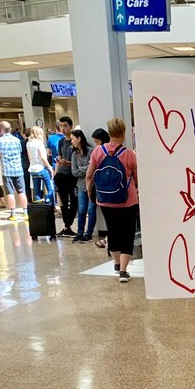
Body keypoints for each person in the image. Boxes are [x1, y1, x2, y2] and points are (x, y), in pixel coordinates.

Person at [85, 117, 138, 282]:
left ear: (109, 133)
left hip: (105, 200)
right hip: (127, 200)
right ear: (123, 133)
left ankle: (116, 263)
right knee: (127, 232)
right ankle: (123, 271)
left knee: (112, 231)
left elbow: (89, 176)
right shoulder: (129, 153)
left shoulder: (98, 151)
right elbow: (137, 179)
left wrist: (91, 194)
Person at [0, 121, 28, 222]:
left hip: (7, 171)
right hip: (18, 169)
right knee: (22, 192)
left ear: (1, 129)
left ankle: (13, 214)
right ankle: (25, 212)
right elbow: (19, 152)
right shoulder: (17, 140)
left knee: (10, 193)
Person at [54, 116, 78, 236]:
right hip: (61, 175)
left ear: (70, 126)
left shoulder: (75, 141)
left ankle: (68, 224)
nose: (63, 129)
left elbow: (78, 161)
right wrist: (56, 173)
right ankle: (66, 226)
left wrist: (67, 163)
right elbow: (59, 158)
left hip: (72, 177)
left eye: (65, 126)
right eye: (61, 126)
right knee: (63, 201)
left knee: (74, 201)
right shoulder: (61, 142)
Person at [71, 129, 96, 243]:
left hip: (92, 184)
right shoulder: (74, 155)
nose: (72, 142)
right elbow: (74, 172)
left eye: (73, 139)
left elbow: (94, 167)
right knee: (81, 210)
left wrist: (86, 169)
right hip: (81, 185)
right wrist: (86, 168)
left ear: (79, 138)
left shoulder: (91, 151)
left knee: (91, 209)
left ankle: (89, 233)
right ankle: (80, 232)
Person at [91, 128, 110, 249]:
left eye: (97, 142)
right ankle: (109, 240)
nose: (96, 145)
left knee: (110, 220)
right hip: (120, 192)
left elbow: (89, 173)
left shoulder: (97, 152)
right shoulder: (124, 151)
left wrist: (89, 189)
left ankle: (109, 241)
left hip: (103, 191)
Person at [27, 126, 55, 205]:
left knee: (37, 190)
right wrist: (49, 167)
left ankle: (39, 207)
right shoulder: (39, 143)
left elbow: (29, 157)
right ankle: (50, 205)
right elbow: (43, 157)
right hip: (41, 168)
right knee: (50, 188)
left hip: (32, 169)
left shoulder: (29, 143)